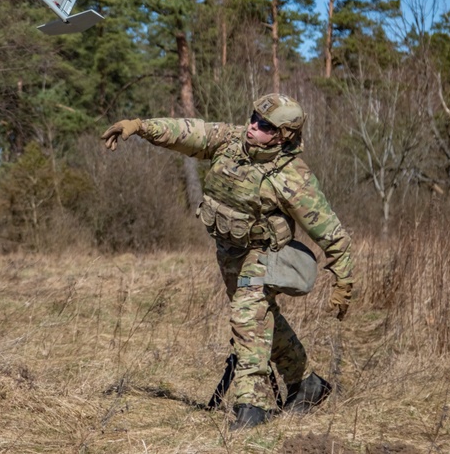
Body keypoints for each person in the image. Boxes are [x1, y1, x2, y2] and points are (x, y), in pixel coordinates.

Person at [100, 94, 354, 430]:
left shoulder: (293, 178)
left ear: (283, 135)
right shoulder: (231, 142)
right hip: (230, 250)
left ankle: (252, 408)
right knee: (263, 320)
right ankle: (307, 384)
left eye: (264, 125)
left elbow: (331, 232)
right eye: (252, 118)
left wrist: (344, 283)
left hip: (264, 255)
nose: (253, 126)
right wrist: (140, 127)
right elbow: (188, 132)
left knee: (247, 317)